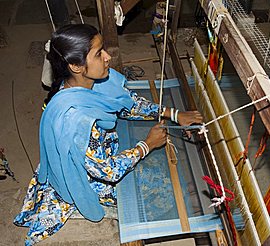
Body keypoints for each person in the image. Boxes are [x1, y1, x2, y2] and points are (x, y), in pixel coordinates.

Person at [14, 24, 203, 245]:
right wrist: (147, 145)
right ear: (76, 65)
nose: (107, 58)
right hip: (89, 177)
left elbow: (126, 104)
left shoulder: (91, 82)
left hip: (98, 154)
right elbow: (108, 171)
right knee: (161, 194)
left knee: (162, 175)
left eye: (103, 49)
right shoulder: (76, 121)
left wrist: (172, 113)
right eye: (98, 54)